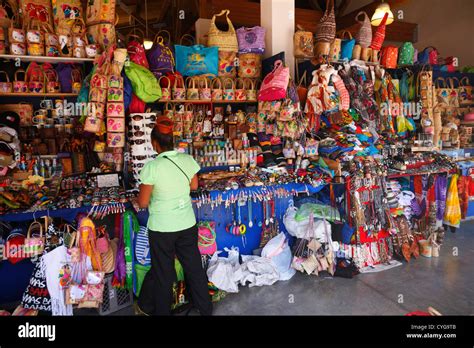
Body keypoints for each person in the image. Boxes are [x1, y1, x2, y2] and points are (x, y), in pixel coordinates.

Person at [136, 116, 212, 316]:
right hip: (186, 224)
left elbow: (142, 203)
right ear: (172, 141)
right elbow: (193, 186)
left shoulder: (152, 167)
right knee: (194, 268)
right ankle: (205, 308)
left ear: (154, 143)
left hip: (162, 229)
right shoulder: (187, 160)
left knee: (163, 274)